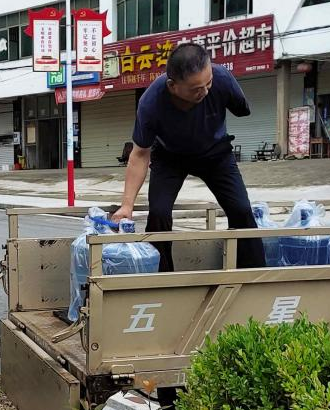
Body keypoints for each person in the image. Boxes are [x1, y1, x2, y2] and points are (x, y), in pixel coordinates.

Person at [111, 43, 265, 272]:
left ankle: (252, 274)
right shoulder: (151, 102)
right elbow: (140, 154)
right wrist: (127, 205)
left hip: (216, 154)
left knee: (241, 209)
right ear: (173, 86)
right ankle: (162, 278)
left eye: (208, 83)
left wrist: (226, 91)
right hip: (170, 158)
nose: (205, 91)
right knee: (159, 214)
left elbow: (242, 108)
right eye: (196, 89)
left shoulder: (221, 78)